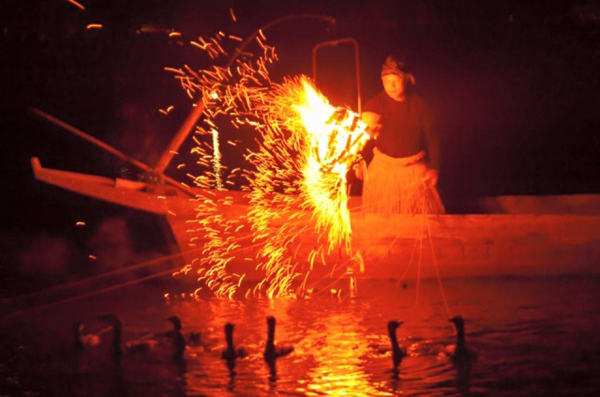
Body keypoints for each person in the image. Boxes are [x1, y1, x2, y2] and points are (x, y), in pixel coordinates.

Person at [356, 56, 445, 214]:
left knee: (421, 223)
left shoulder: (420, 105)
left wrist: (434, 167)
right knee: (380, 221)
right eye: (386, 80)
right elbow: (362, 131)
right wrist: (359, 160)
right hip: (383, 172)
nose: (391, 85)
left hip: (414, 173)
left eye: (396, 79)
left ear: (407, 79)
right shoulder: (377, 103)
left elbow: (433, 137)